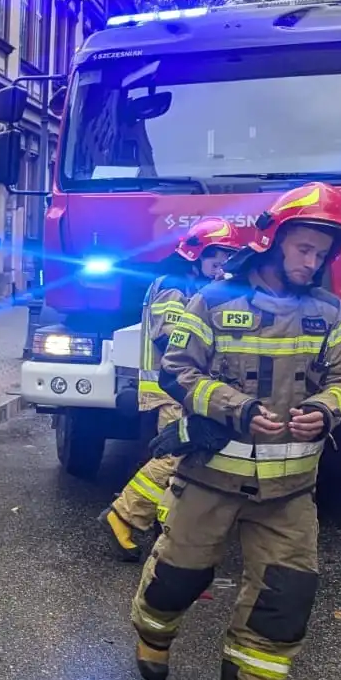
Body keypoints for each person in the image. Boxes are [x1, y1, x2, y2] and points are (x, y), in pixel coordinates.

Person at [130, 183, 341, 680]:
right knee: (180, 575)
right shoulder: (211, 301)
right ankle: (152, 634)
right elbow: (177, 372)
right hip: (211, 476)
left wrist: (324, 412)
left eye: (322, 253)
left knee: (286, 593)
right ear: (273, 242)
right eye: (305, 248)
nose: (315, 261)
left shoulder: (328, 312)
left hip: (289, 489)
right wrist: (237, 410)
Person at [102, 218, 245, 561]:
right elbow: (171, 338)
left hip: (181, 388)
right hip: (170, 388)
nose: (221, 265)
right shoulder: (174, 286)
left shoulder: (190, 285)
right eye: (216, 257)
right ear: (196, 254)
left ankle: (168, 527)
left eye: (227, 257)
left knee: (186, 459)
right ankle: (123, 514)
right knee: (174, 455)